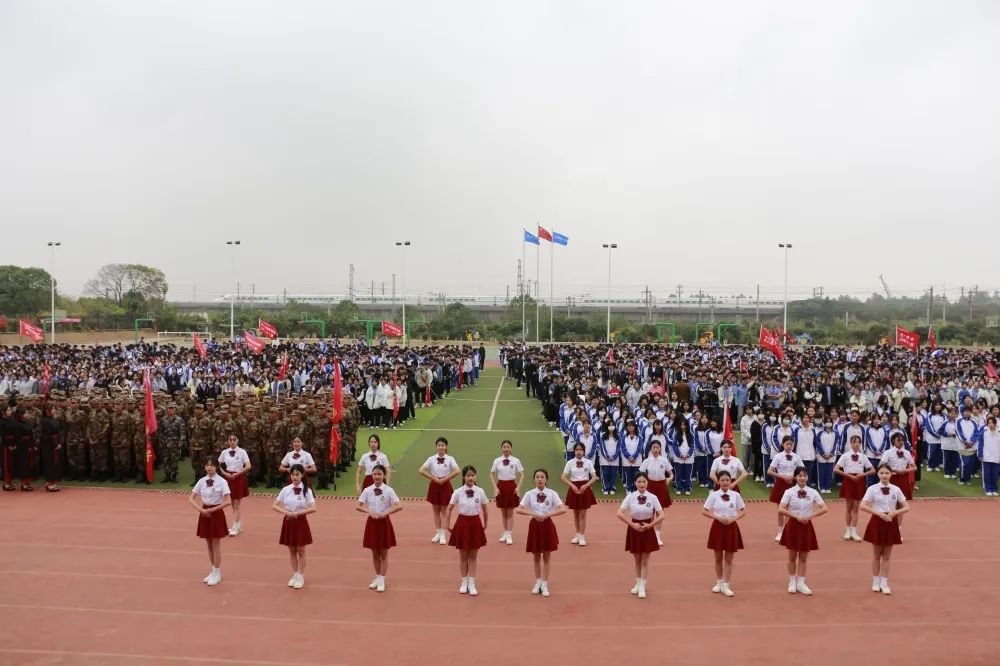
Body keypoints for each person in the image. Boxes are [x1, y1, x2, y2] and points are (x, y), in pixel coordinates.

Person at [515, 469, 568, 597]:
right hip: (535, 526)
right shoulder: (529, 494)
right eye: (537, 477)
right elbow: (518, 509)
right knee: (536, 556)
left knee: (547, 556)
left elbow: (563, 509)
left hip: (547, 525)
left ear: (546, 479)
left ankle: (545, 583)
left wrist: (548, 514)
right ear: (534, 479)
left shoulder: (552, 494)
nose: (540, 479)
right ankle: (537, 581)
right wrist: (532, 513)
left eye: (542, 477)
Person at [860, 464, 910, 595]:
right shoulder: (872, 489)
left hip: (890, 522)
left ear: (891, 474)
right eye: (882, 473)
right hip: (877, 521)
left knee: (887, 556)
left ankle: (884, 582)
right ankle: (875, 581)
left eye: (887, 473)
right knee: (877, 554)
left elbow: (906, 507)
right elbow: (863, 506)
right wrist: (878, 513)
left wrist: (894, 513)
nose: (884, 475)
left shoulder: (896, 489)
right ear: (878, 474)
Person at [778, 467, 827, 595]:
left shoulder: (813, 492)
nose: (802, 478)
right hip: (793, 525)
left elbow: (824, 508)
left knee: (804, 557)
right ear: (795, 477)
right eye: (799, 476)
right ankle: (792, 581)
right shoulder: (789, 492)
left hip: (806, 525)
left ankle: (801, 583)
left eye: (805, 475)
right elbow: (781, 508)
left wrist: (810, 516)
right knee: (792, 556)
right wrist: (796, 517)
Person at [616, 472, 665, 599]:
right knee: (637, 559)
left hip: (647, 529)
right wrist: (632, 525)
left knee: (645, 560)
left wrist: (650, 525)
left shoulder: (653, 497)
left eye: (644, 481)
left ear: (647, 483)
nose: (642, 484)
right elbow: (619, 513)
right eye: (639, 482)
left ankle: (643, 586)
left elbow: (662, 515)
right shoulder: (630, 497)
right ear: (635, 483)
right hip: (634, 529)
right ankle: (637, 584)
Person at [356, 464, 403, 592]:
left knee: (384, 552)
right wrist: (369, 511)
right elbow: (358, 506)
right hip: (372, 523)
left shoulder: (388, 490)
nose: (377, 476)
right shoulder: (367, 490)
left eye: (379, 474)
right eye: (375, 474)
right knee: (374, 553)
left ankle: (382, 579)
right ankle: (377, 577)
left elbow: (399, 505)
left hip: (384, 523)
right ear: (372, 475)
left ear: (383, 475)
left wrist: (385, 513)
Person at [446, 465, 489, 596]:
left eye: (473, 475)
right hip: (462, 523)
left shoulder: (480, 491)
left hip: (475, 523)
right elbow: (449, 508)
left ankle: (472, 582)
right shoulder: (458, 492)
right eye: (468, 475)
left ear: (475, 477)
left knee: (474, 556)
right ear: (464, 477)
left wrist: (485, 524)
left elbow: (485, 510)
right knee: (463, 556)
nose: (470, 477)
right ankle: (464, 582)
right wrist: (447, 524)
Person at [701, 470, 746, 597]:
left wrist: (734, 518)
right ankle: (719, 582)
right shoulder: (713, 495)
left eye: (727, 480)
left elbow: (743, 510)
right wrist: (718, 517)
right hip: (718, 527)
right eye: (722, 480)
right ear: (718, 481)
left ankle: (726, 584)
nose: (725, 482)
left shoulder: (736, 495)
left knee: (729, 558)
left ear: (730, 481)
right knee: (718, 557)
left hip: (732, 527)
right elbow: (704, 511)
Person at [272, 464, 316, 589]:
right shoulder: (286, 489)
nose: (295, 477)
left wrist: (297, 513)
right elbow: (274, 505)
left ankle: (301, 575)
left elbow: (313, 508)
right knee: (291, 551)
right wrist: (286, 513)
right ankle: (295, 574)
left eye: (297, 474)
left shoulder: (307, 490)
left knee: (301, 550)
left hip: (300, 521)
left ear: (302, 475)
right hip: (288, 521)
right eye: (293, 474)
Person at [188, 459, 231, 586]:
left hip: (216, 513)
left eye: (212, 465)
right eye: (207, 465)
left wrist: (212, 509)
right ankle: (213, 570)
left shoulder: (222, 482)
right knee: (208, 543)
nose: (209, 467)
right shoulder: (201, 481)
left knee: (215, 543)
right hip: (204, 512)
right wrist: (200, 509)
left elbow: (228, 501)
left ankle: (217, 573)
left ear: (216, 467)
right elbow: (191, 498)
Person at [418, 437, 460, 544]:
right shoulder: (431, 458)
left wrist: (446, 478)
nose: (441, 447)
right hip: (435, 484)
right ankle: (438, 532)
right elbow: (421, 470)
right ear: (436, 447)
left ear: (446, 447)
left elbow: (457, 471)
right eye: (439, 445)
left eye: (443, 445)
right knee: (436, 510)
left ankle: (443, 534)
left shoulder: (450, 458)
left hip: (445, 485)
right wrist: (434, 478)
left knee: (444, 511)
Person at [834, 434, 875, 541]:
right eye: (854, 442)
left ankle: (854, 531)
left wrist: (863, 475)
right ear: (850, 443)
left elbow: (873, 470)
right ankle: (847, 531)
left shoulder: (863, 456)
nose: (856, 444)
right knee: (849, 507)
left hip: (859, 481)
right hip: (849, 480)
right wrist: (848, 475)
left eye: (858, 442)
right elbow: (836, 469)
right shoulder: (845, 456)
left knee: (856, 507)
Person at [560, 442, 598, 546]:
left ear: (584, 451)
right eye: (577, 450)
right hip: (574, 488)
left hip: (584, 488)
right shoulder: (570, 462)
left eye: (580, 450)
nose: (578, 451)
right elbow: (563, 477)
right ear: (574, 451)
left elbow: (594, 477)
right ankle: (577, 534)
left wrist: (586, 485)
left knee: (582, 514)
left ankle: (582, 536)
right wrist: (571, 485)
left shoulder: (588, 462)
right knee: (575, 514)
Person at [767, 436, 804, 542]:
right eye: (787, 444)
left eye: (791, 444)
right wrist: (782, 477)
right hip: (781, 483)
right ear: (783, 444)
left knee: (791, 509)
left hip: (792, 484)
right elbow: (769, 471)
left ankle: (789, 531)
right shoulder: (778, 456)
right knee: (781, 509)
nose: (789, 446)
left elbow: (802, 470)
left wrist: (793, 477)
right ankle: (780, 532)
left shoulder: (797, 457)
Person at [638, 439, 673, 545]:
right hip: (650, 486)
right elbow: (640, 475)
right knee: (649, 511)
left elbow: (671, 474)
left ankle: (657, 535)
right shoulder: (646, 461)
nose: (656, 449)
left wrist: (668, 479)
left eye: (658, 447)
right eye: (654, 447)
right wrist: (643, 484)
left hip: (661, 486)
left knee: (659, 511)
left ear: (660, 448)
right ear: (651, 449)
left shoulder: (664, 460)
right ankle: (649, 533)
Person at [489, 439, 524, 545]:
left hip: (511, 487)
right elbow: (491, 473)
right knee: (503, 513)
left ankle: (509, 534)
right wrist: (495, 487)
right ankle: (505, 532)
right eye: (504, 447)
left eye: (508, 447)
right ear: (501, 448)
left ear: (511, 448)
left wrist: (518, 488)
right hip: (501, 487)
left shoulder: (516, 460)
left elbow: (522, 474)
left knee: (510, 513)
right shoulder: (497, 460)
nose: (506, 449)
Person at [218, 434, 252, 537]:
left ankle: (235, 526)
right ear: (228, 441)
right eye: (230, 440)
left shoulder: (242, 452)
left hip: (238, 478)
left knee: (237, 504)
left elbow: (248, 466)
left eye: (234, 439)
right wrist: (225, 474)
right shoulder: (224, 452)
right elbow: (219, 465)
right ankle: (238, 524)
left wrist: (238, 473)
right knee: (232, 503)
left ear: (237, 441)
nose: (232, 441)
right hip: (228, 478)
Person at [879, 432, 917, 509]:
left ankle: (898, 521)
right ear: (893, 441)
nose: (901, 442)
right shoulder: (888, 452)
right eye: (898, 440)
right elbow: (880, 465)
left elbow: (915, 467)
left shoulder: (906, 452)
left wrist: (905, 470)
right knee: (890, 503)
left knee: (901, 504)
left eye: (902, 440)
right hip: (891, 479)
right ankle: (890, 520)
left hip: (903, 479)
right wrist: (894, 470)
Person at [979, 415, 1000, 495]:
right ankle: (988, 489)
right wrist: (980, 454)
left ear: (995, 423)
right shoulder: (984, 433)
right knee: (987, 474)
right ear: (987, 424)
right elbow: (980, 444)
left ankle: (994, 488)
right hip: (986, 457)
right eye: (989, 423)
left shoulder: (999, 433)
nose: (990, 424)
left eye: (992, 423)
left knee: (995, 474)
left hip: (996, 457)